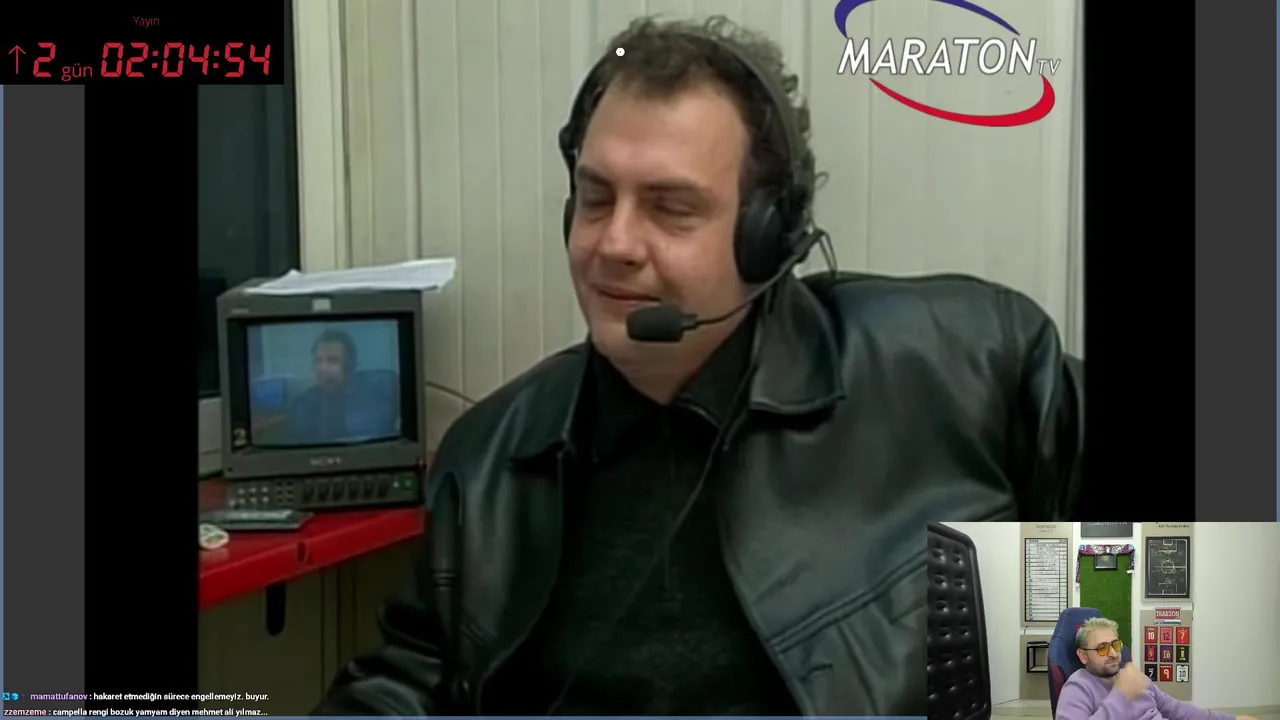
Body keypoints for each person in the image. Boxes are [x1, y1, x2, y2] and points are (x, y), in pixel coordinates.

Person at [315, 15, 1085, 717]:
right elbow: (404, 686)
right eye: (594, 198)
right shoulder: (490, 461)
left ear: (767, 234)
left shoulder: (965, 370)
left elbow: (1129, 629)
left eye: (670, 208)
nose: (614, 243)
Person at [1057, 618, 1257, 720]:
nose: (1112, 653)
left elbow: (1177, 710)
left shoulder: (1131, 676)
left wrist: (1232, 719)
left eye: (1115, 645)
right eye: (1102, 648)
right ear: (1083, 655)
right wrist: (1122, 695)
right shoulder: (1077, 688)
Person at [284, 329, 396, 444]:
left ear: (350, 366)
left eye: (332, 361)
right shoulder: (302, 406)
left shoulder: (375, 398)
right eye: (318, 360)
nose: (322, 368)